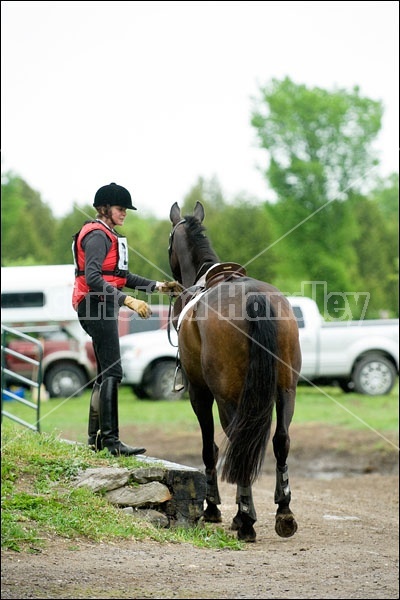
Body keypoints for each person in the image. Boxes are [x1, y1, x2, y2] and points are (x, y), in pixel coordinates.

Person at [72, 182, 182, 456]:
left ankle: (95, 441)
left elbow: (122, 277)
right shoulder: (97, 235)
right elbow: (94, 277)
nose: (125, 213)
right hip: (94, 304)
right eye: (121, 209)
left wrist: (157, 286)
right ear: (105, 209)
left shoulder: (109, 234)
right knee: (112, 372)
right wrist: (127, 300)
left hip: (101, 304)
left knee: (104, 374)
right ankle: (111, 443)